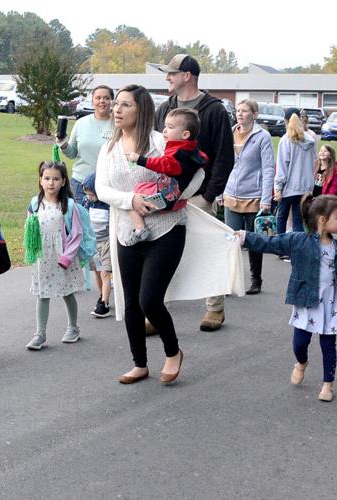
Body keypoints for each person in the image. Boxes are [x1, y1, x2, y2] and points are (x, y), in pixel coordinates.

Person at [96, 84, 200, 385]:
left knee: (150, 300)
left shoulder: (161, 142)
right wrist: (130, 201)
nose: (116, 109)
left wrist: (171, 200)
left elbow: (196, 175)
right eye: (116, 104)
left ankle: (173, 351)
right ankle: (139, 363)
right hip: (128, 232)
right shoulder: (110, 148)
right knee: (130, 303)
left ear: (141, 110)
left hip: (167, 229)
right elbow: (103, 189)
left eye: (125, 105)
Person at [238, 195, 337, 402]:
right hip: (306, 301)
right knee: (299, 344)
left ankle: (328, 384)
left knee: (328, 345)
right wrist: (245, 237)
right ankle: (301, 363)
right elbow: (270, 243)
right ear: (322, 219)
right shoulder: (297, 240)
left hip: (330, 304)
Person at [154, 53, 235, 332]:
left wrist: (209, 195)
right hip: (168, 197)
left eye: (172, 73)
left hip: (200, 196)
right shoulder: (165, 108)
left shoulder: (214, 110)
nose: (167, 78)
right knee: (161, 253)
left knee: (207, 250)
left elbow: (224, 157)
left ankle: (215, 308)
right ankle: (155, 311)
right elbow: (157, 149)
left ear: (187, 75)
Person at [124, 108, 208, 245]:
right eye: (165, 126)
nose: (164, 130)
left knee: (132, 198)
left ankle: (140, 229)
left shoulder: (178, 154)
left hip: (165, 197)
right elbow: (203, 158)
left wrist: (139, 159)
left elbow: (163, 164)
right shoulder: (191, 151)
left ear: (185, 134)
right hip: (177, 197)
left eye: (170, 127)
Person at [25, 161, 86, 350]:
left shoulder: (69, 207)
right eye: (47, 178)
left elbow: (76, 234)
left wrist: (66, 258)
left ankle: (73, 327)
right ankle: (40, 334)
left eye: (56, 179)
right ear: (40, 180)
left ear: (63, 181)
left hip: (62, 257)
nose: (51, 183)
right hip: (43, 257)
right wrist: (32, 251)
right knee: (42, 294)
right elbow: (29, 229)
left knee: (67, 292)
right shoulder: (35, 204)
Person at [220, 98, 275, 295]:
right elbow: (223, 163)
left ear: (255, 114)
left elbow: (268, 169)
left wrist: (266, 198)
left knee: (252, 241)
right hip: (230, 195)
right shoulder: (229, 133)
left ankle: (255, 279)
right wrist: (220, 191)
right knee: (230, 240)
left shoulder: (262, 136)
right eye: (238, 110)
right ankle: (228, 281)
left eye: (245, 111)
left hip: (254, 196)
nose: (240, 114)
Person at [61, 85, 115, 206]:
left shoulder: (118, 125)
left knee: (105, 223)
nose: (102, 101)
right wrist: (63, 144)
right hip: (81, 183)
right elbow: (72, 153)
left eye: (106, 98)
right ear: (92, 101)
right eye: (98, 98)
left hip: (109, 184)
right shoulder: (81, 123)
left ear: (112, 102)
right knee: (81, 222)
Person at [275, 114, 317, 238]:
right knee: (298, 220)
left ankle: (281, 247)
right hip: (305, 186)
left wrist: (278, 187)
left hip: (289, 186)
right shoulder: (309, 140)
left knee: (281, 217)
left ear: (286, 121)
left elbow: (283, 165)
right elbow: (314, 161)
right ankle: (298, 249)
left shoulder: (286, 139)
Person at [82, 173, 112, 318]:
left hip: (106, 242)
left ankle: (104, 304)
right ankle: (102, 296)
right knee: (97, 272)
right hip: (93, 243)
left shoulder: (108, 205)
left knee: (105, 272)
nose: (89, 197)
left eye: (92, 194)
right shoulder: (87, 203)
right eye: (87, 194)